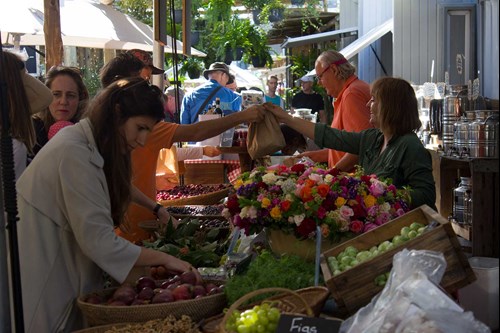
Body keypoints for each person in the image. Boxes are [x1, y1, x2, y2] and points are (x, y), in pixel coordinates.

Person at [16, 77, 201, 333]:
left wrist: (157, 209)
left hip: (64, 269)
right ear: (116, 114)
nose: (143, 140)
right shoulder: (74, 151)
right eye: (141, 128)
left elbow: (116, 184)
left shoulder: (88, 144)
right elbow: (99, 241)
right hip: (48, 276)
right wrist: (164, 259)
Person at [99, 55, 264, 242]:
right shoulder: (135, 129)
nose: (147, 88)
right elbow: (195, 132)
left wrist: (157, 208)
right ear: (120, 85)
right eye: (142, 81)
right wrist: (241, 116)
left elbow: (123, 184)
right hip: (128, 231)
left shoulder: (101, 125)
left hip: (130, 225)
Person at [264, 77, 436, 210]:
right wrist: (286, 118)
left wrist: (383, 192)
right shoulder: (373, 137)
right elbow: (332, 136)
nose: (368, 104)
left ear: (391, 106)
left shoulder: (410, 145)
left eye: (374, 100)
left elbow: (427, 196)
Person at [296, 50, 373, 172]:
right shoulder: (351, 90)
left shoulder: (352, 94)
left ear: (334, 70)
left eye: (320, 77)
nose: (320, 83)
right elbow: (349, 146)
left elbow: (362, 146)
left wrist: (331, 175)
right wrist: (318, 155)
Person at [1, 50, 53, 180]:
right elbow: (45, 96)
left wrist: (16, 69)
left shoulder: (12, 145)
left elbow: (46, 97)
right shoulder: (13, 146)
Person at [31, 66, 89, 157]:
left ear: (80, 99)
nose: (63, 102)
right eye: (56, 95)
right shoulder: (32, 131)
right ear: (46, 96)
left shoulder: (89, 132)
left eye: (71, 95)